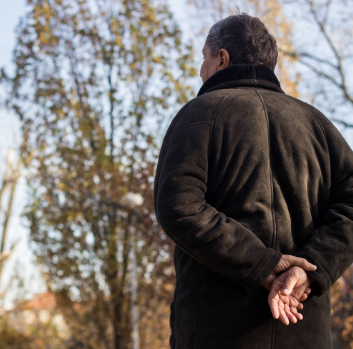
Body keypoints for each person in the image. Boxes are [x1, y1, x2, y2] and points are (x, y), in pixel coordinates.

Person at [153, 11, 353, 349]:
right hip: (305, 329)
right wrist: (309, 271)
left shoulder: (200, 115)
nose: (201, 70)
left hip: (217, 333)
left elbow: (179, 205)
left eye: (203, 58)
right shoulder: (319, 125)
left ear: (221, 59)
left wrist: (265, 266)